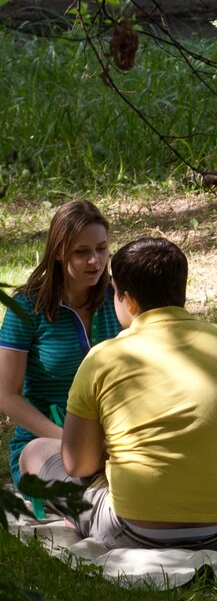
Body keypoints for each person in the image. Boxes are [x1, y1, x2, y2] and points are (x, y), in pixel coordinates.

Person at [20, 237, 217, 552]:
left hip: (132, 531)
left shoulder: (103, 357)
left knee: (33, 453)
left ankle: (81, 518)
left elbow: (78, 464)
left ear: (128, 300)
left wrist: (115, 450)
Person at [0, 199, 121, 494]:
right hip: (49, 441)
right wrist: (68, 438)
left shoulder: (118, 297)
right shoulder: (26, 308)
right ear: (58, 252)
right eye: (82, 252)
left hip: (117, 435)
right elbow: (6, 396)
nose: (95, 261)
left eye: (101, 249)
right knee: (78, 482)